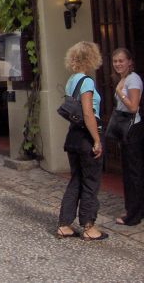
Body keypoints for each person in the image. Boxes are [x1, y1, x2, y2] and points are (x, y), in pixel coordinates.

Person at [57, 41, 107, 241]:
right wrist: (96, 140)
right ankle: (88, 226)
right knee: (91, 182)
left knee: (76, 180)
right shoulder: (86, 81)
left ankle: (65, 224)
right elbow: (87, 113)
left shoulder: (71, 80)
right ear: (91, 58)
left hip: (73, 136)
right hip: (87, 136)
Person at [109, 48, 143, 226]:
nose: (118, 64)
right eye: (115, 61)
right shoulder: (123, 79)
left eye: (121, 61)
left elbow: (133, 107)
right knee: (129, 171)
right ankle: (134, 209)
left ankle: (134, 215)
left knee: (134, 172)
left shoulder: (133, 79)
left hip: (132, 129)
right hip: (125, 129)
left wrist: (120, 92)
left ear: (130, 62)